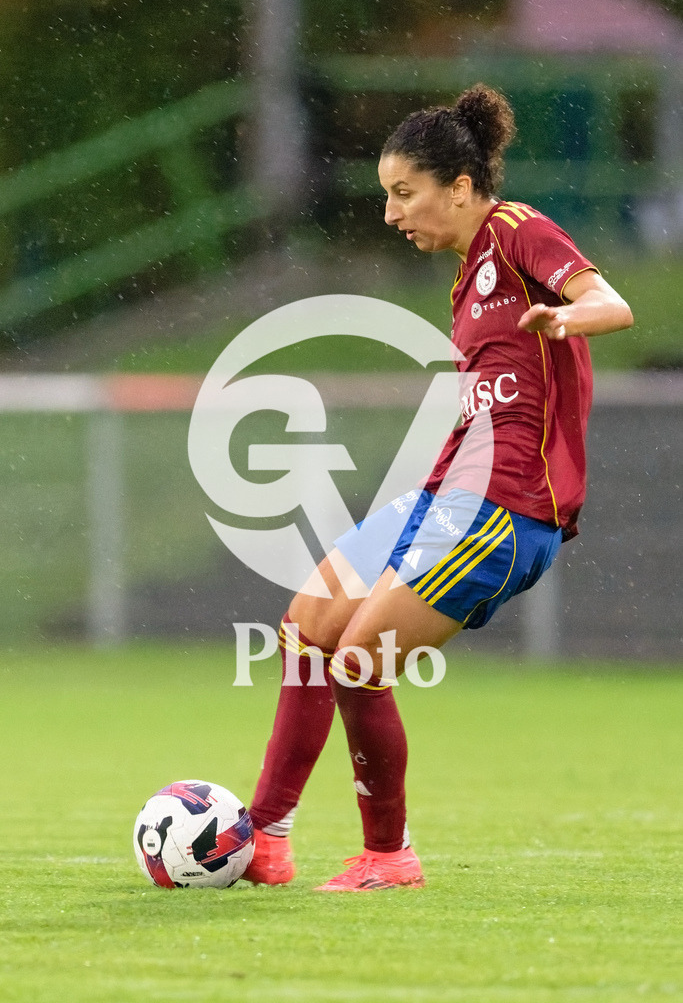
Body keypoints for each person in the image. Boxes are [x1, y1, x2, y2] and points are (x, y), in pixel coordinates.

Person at [241, 84, 633, 892]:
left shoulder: (517, 230)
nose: (390, 214)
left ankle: (388, 857)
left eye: (402, 193)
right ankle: (264, 840)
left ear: (458, 187)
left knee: (357, 662)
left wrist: (567, 319)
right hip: (441, 498)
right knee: (304, 629)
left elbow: (609, 302)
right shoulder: (463, 280)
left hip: (504, 510)